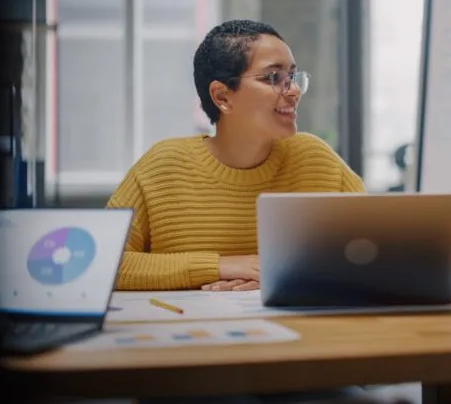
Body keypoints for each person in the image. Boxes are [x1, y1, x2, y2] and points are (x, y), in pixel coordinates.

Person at [107, 19, 365, 292]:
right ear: (222, 97)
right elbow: (106, 264)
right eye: (274, 78)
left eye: (292, 76)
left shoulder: (317, 159)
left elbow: (373, 249)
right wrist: (223, 266)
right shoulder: (162, 167)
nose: (295, 91)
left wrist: (283, 273)